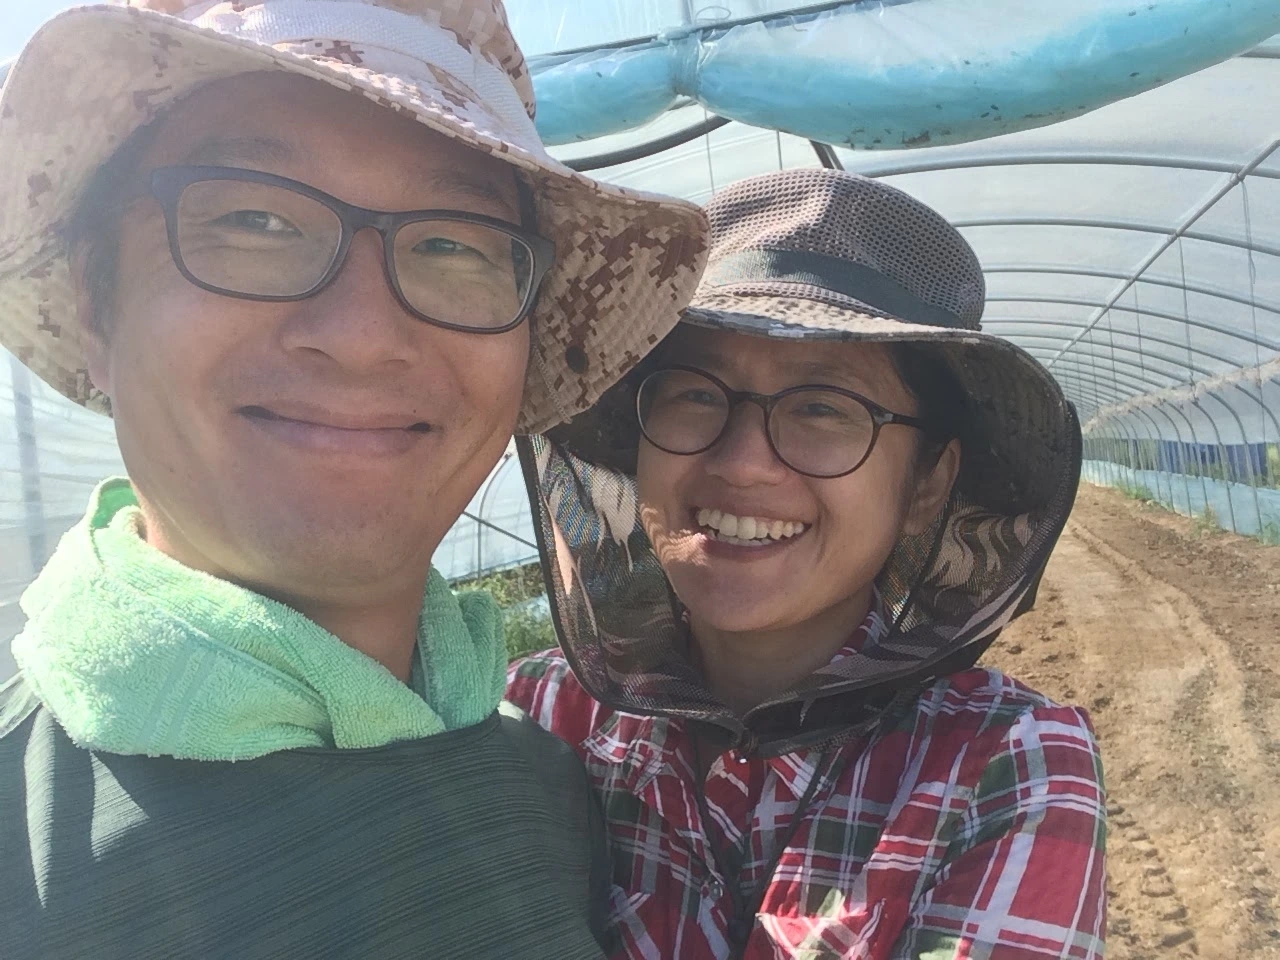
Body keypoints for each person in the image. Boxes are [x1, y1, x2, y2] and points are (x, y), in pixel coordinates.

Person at [0, 2, 707, 958]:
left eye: (452, 243)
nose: (363, 334)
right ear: (98, 299)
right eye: (254, 219)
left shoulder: (546, 792)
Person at [509, 169, 1106, 959]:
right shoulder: (534, 717)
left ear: (928, 482)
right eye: (695, 393)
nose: (743, 463)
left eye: (824, 407)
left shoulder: (1000, 764)